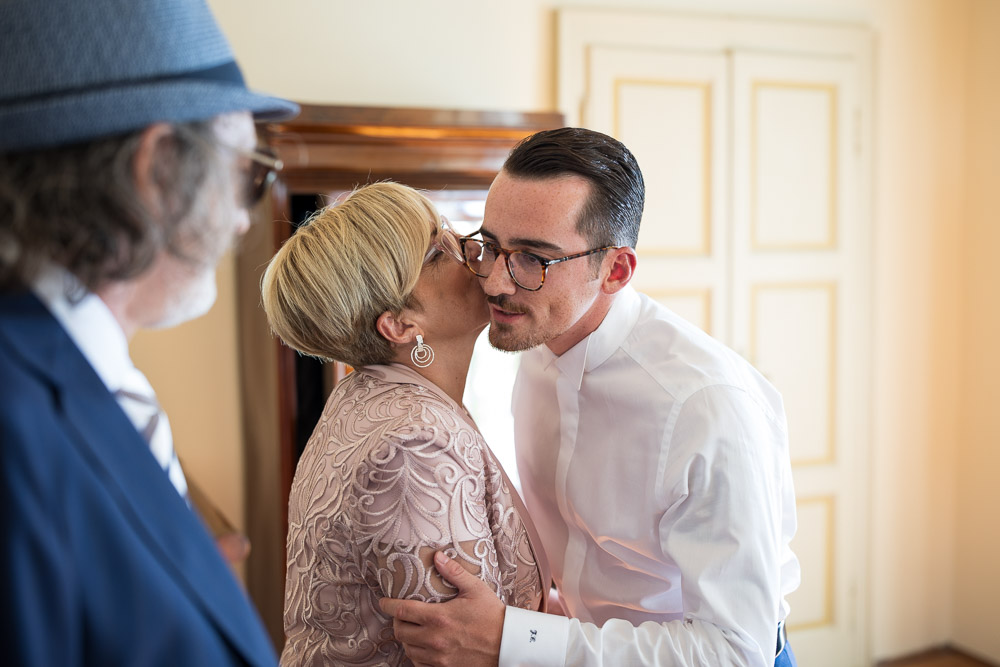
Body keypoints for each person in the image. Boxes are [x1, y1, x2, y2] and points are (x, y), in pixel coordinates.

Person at [380, 128, 801, 666]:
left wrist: (515, 641)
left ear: (615, 271)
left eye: (534, 258)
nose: (494, 282)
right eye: (490, 246)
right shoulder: (533, 333)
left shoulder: (706, 408)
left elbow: (738, 651)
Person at [0, 0, 298, 665]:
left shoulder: (79, 378)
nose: (245, 222)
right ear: (158, 167)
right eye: (247, 175)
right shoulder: (14, 424)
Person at [260, 182, 550, 667]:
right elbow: (460, 652)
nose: (471, 249)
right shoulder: (413, 445)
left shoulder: (370, 397)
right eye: (439, 252)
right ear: (399, 326)